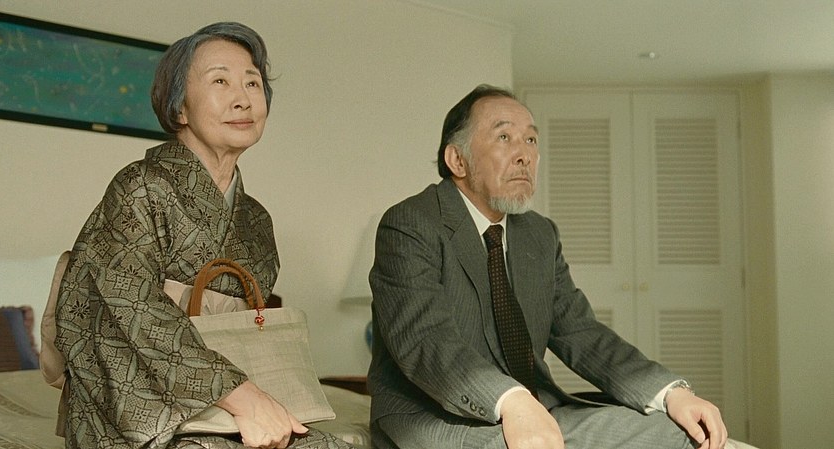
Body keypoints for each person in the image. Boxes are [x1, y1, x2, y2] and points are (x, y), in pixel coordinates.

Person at [368, 84, 757, 449]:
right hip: (436, 415)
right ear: (457, 159)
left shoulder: (538, 234)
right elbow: (426, 342)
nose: (524, 154)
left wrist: (671, 393)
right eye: (504, 137)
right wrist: (512, 401)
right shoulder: (410, 224)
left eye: (531, 140)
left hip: (537, 407)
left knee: (679, 431)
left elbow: (581, 333)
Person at [54, 22, 353, 449]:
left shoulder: (256, 220)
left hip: (231, 404)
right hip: (140, 409)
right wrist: (243, 398)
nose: (243, 98)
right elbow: (131, 309)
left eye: (252, 82)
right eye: (220, 81)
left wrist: (252, 403)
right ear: (180, 109)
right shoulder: (140, 187)